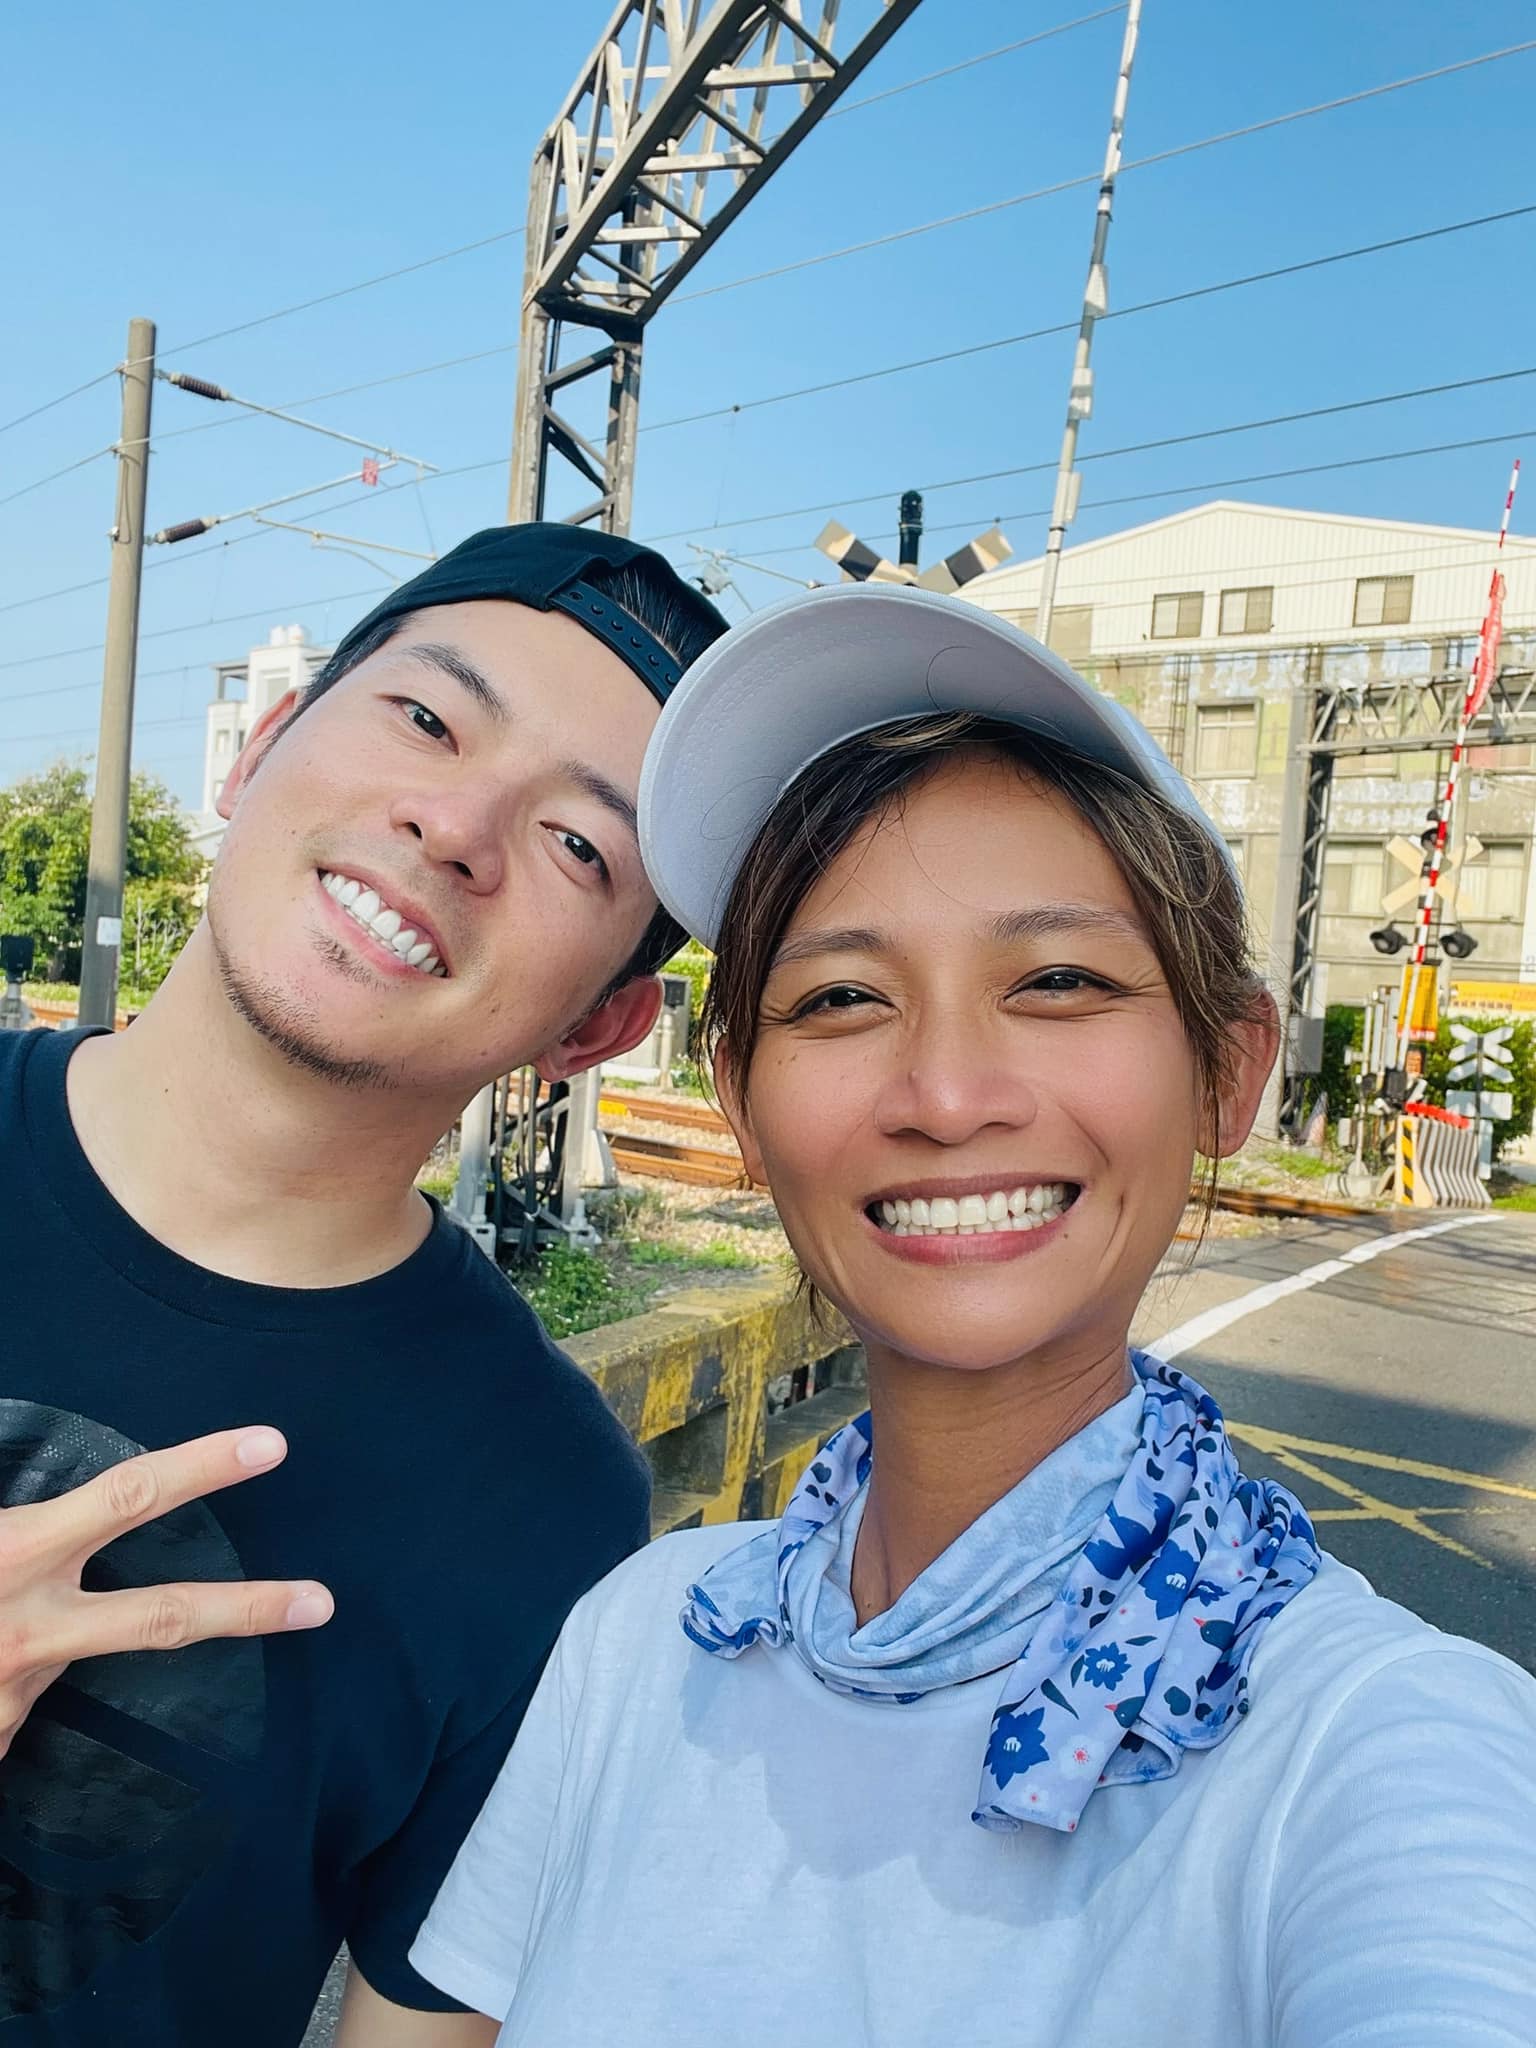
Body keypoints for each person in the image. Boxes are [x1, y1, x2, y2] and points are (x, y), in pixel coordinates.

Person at [412, 583, 1536, 2046]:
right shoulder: (644, 1641)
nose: (946, 1095)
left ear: (1227, 1071)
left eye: (1059, 980)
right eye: (840, 1000)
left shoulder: (1376, 1741)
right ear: (741, 1099)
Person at [0, 524, 726, 2047]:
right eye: (426, 717)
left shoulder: (548, 1512)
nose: (456, 825)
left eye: (577, 845)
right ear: (262, 743)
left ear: (599, 1027)